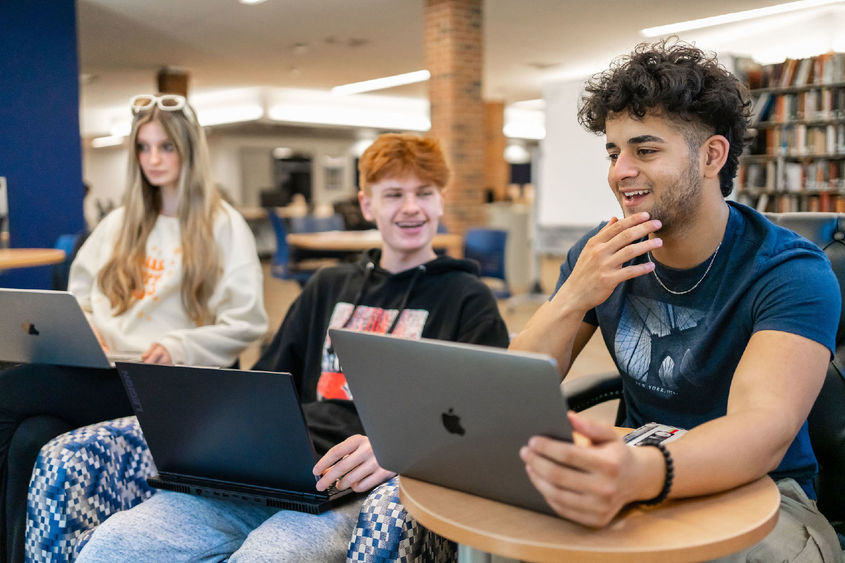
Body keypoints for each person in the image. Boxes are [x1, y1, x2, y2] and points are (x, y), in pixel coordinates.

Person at [75, 133, 510, 561]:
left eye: (424, 193)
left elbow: (482, 414)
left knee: (267, 556)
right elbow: (267, 382)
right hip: (277, 471)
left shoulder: (466, 297)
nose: (411, 207)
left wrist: (400, 448)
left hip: (355, 486)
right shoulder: (328, 285)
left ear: (441, 200)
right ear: (366, 204)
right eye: (393, 194)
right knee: (113, 545)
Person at [509, 39, 841, 561]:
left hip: (766, 495)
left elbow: (762, 429)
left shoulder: (789, 270)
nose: (620, 171)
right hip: (639, 470)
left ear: (712, 156)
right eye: (614, 152)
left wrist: (641, 473)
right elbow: (511, 390)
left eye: (645, 150)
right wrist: (573, 297)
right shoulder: (600, 254)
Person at [0, 93, 268, 562]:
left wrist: (178, 343)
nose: (153, 159)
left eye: (166, 147)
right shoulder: (120, 224)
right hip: (100, 367)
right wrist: (85, 330)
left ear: (190, 151)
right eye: (144, 148)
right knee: (30, 438)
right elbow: (78, 296)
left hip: (162, 383)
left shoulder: (223, 225)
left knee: (9, 390)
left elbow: (247, 323)